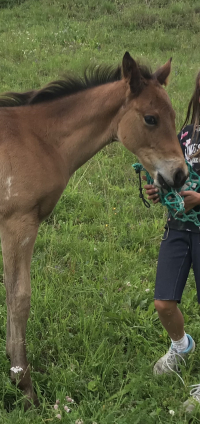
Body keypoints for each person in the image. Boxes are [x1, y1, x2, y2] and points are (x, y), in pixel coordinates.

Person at [144, 69, 200, 412]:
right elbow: (174, 174)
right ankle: (181, 346)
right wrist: (159, 190)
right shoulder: (184, 133)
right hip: (178, 226)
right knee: (164, 302)